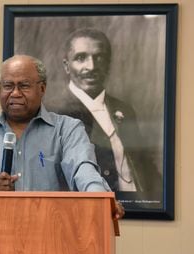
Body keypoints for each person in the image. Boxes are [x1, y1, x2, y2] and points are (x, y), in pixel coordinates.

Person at [0, 54, 124, 219]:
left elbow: (83, 170)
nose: (15, 93)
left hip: (52, 241)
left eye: (24, 86)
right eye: (8, 86)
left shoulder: (67, 129)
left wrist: (100, 199)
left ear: (42, 89)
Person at [44, 28, 162, 193]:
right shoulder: (54, 112)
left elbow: (143, 165)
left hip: (139, 208)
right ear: (67, 66)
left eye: (99, 57)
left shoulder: (124, 109)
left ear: (108, 63)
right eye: (81, 58)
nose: (91, 67)